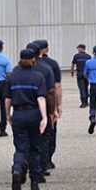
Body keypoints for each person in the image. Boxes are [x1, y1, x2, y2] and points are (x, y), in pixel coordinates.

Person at [5, 48, 49, 190]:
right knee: (35, 149)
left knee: (20, 148)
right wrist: (44, 117)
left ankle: (17, 170)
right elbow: (41, 98)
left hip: (18, 114)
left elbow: (7, 99)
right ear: (33, 59)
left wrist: (8, 114)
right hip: (34, 113)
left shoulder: (12, 77)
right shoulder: (38, 76)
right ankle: (34, 182)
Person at [33, 40, 62, 173]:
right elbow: (56, 87)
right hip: (46, 104)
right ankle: (46, 160)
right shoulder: (51, 65)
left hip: (26, 107)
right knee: (48, 134)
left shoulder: (18, 69)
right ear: (46, 50)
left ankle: (29, 163)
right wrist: (57, 106)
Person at [71, 44, 91, 109]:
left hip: (79, 73)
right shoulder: (88, 56)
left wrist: (72, 72)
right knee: (85, 87)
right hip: (86, 74)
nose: (78, 50)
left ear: (81, 48)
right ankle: (86, 101)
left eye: (78, 48)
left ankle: (83, 102)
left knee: (81, 88)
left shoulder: (76, 56)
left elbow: (73, 64)